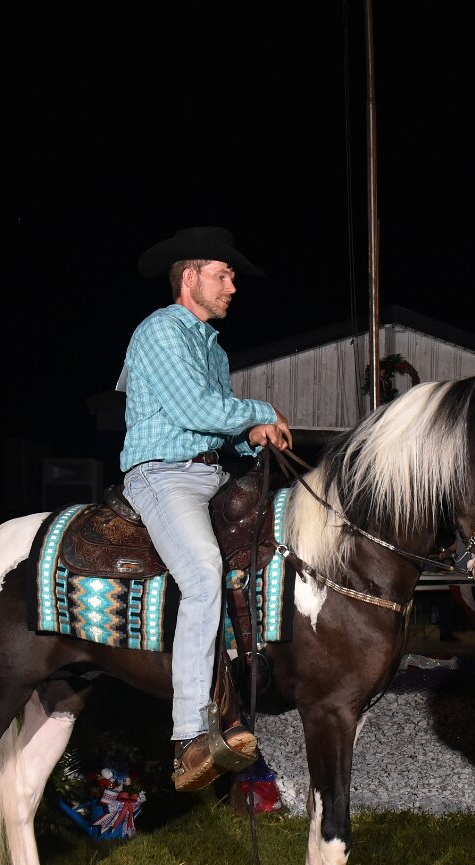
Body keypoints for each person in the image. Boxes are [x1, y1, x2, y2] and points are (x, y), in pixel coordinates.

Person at [117, 225, 293, 793]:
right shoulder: (161, 330)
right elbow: (196, 408)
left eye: (232, 277)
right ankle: (190, 735)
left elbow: (217, 426)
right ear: (189, 278)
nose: (232, 287)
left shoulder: (211, 346)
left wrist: (254, 439)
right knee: (201, 573)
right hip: (163, 474)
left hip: (210, 473)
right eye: (223, 275)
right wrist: (261, 411)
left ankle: (250, 683)